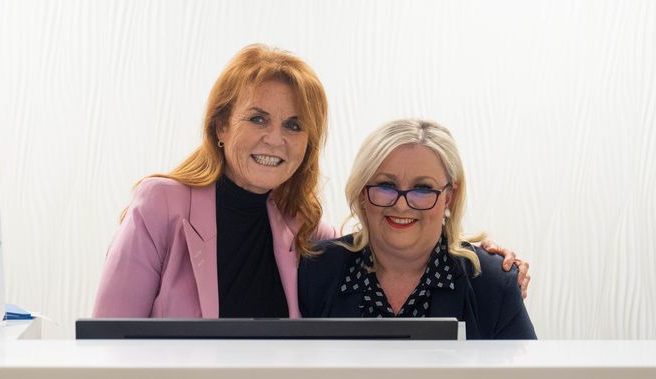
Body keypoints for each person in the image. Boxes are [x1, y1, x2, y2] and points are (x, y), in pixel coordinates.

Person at [93, 45, 528, 318]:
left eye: (294, 125)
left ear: (308, 144)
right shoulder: (162, 205)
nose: (275, 139)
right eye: (258, 118)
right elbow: (107, 343)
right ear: (221, 126)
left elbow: (385, 235)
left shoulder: (303, 226)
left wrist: (480, 254)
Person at [298, 118, 536, 339]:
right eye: (385, 185)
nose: (401, 205)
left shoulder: (491, 282)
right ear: (362, 192)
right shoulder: (315, 271)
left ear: (448, 197)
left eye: (422, 189)